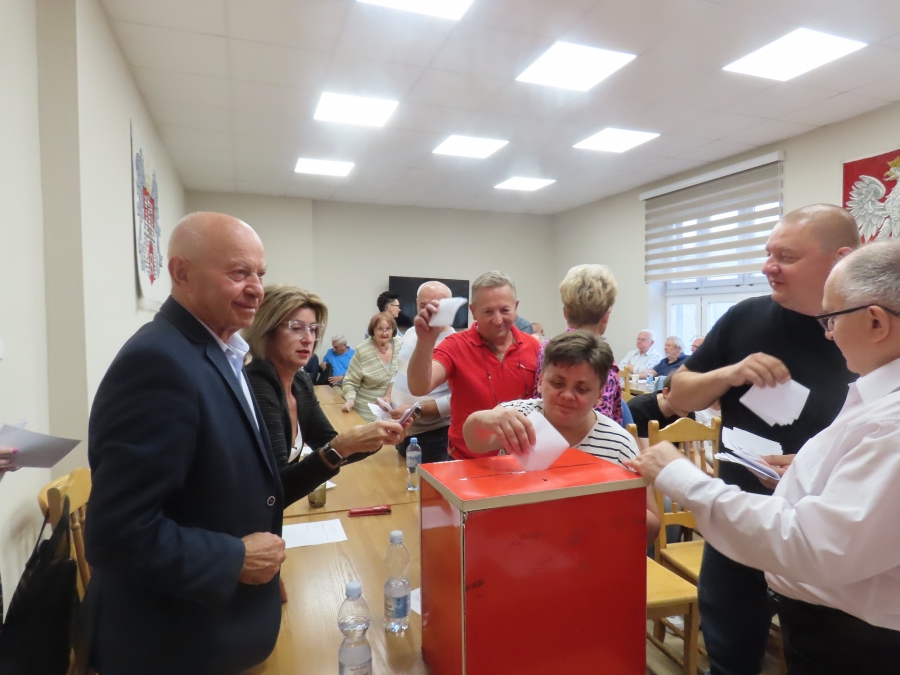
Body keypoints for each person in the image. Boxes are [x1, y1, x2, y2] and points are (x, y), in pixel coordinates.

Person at [627, 241, 900, 674]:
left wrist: (681, 476)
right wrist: (807, 473)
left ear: (876, 322)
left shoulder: (891, 421)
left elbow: (816, 543)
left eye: (832, 319)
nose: (828, 333)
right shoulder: (875, 396)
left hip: (857, 637)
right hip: (816, 604)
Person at [83, 213, 285, 674]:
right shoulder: (159, 363)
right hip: (176, 643)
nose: (257, 289)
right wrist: (235, 558)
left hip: (223, 626)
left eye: (260, 274)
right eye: (239, 272)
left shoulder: (220, 351)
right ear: (181, 273)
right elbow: (116, 534)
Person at [666, 204, 860, 675]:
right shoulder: (746, 316)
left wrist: (811, 465)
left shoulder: (866, 334)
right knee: (730, 658)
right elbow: (677, 396)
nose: (768, 267)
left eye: (786, 257)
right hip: (737, 520)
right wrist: (729, 373)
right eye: (768, 253)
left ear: (840, 261)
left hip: (820, 535)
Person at [463, 330, 660, 545]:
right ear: (541, 381)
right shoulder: (518, 417)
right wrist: (481, 419)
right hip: (517, 539)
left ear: (599, 394)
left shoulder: (618, 444)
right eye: (557, 383)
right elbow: (475, 441)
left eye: (581, 389)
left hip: (583, 547)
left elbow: (651, 527)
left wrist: (604, 506)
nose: (567, 395)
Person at [243, 285, 406, 475]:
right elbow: (278, 483)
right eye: (296, 328)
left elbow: (327, 443)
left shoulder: (300, 382)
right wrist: (342, 445)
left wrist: (378, 436)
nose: (308, 339)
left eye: (313, 329)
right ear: (265, 331)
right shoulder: (257, 386)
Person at [407, 271, 540, 459]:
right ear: (473, 311)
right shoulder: (455, 345)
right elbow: (419, 386)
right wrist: (426, 342)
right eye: (488, 312)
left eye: (505, 310)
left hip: (521, 461)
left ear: (516, 307)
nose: (498, 320)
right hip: (466, 461)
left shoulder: (534, 346)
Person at [533, 264, 625, 424]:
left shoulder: (546, 348)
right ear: (606, 315)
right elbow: (600, 424)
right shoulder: (601, 363)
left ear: (565, 313)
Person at [390, 281, 455, 464]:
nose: (429, 312)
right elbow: (399, 370)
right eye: (423, 306)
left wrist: (416, 410)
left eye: (436, 307)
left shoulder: (456, 343)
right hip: (403, 430)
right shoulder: (411, 332)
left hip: (433, 437)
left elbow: (455, 399)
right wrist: (388, 396)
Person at [342, 312, 402, 422]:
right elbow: (350, 382)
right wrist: (350, 399)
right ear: (373, 330)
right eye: (380, 329)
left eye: (388, 329)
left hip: (395, 414)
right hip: (367, 414)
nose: (385, 333)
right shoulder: (363, 350)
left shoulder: (400, 344)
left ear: (393, 330)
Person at [627, 372, 695, 448]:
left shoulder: (686, 411)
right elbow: (646, 452)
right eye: (684, 398)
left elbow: (692, 452)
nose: (690, 405)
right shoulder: (639, 408)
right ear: (666, 393)